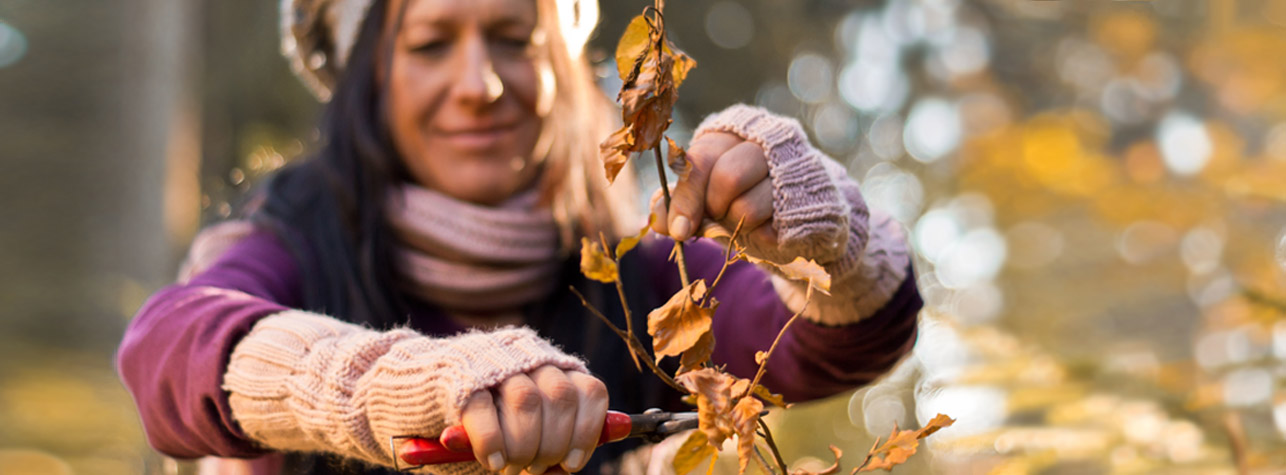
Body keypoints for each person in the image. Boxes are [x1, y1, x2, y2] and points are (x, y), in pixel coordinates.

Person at [115, 0, 922, 473]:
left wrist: (825, 235)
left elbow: (843, 341)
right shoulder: (290, 244)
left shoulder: (638, 275)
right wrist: (402, 381)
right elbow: (168, 346)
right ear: (370, 77)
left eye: (512, 38)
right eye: (432, 44)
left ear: (561, 65)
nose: (481, 85)